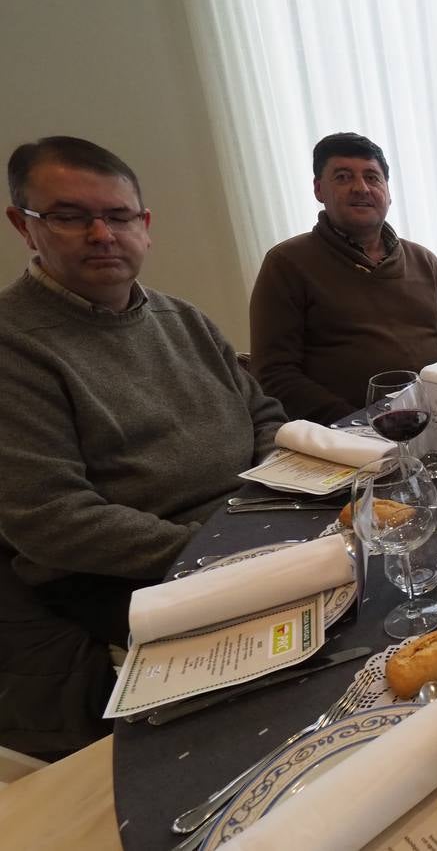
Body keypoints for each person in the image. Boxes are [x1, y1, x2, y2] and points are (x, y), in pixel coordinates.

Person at [0, 137, 286, 757]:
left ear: (145, 226)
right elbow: (52, 521)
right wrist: (218, 550)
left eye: (119, 215)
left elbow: (263, 414)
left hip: (241, 529)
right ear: (25, 226)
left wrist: (275, 499)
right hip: (129, 575)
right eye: (71, 216)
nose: (101, 233)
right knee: (284, 697)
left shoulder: (182, 318)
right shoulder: (16, 345)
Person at [250, 132, 437, 423]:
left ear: (388, 192)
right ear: (318, 190)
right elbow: (275, 374)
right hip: (347, 434)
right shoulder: (287, 264)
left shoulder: (424, 261)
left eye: (372, 177)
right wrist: (360, 421)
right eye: (342, 177)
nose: (361, 188)